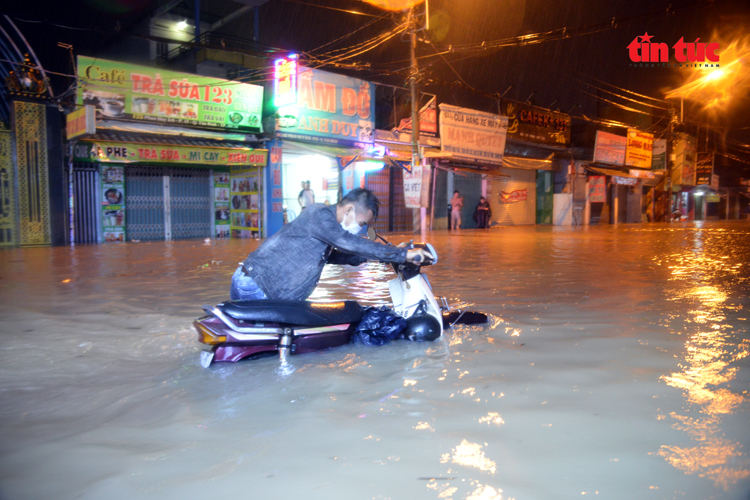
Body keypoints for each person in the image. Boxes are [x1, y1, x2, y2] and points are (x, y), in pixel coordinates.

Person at [231, 188, 431, 301]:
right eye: (361, 223)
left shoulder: (325, 226)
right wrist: (403, 255)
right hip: (257, 287)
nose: (360, 229)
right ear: (349, 210)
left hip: (258, 284)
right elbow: (349, 243)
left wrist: (385, 256)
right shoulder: (320, 215)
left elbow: (336, 255)